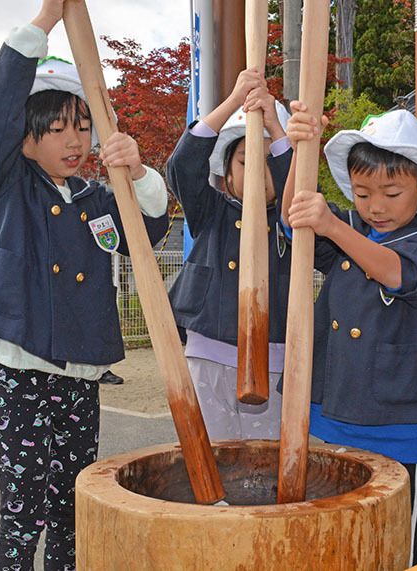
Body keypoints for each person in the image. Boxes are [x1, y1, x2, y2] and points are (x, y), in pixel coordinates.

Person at [0, 1, 169, 568]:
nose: (75, 141)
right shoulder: (6, 182)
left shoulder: (99, 197)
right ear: (24, 140)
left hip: (78, 371)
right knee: (24, 512)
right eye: (56, 130)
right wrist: (48, 17)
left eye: (83, 127)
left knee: (72, 506)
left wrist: (140, 171)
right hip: (18, 366)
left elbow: (146, 233)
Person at [283, 106, 417, 565]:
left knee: (405, 544)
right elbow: (294, 216)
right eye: (362, 194)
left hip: (402, 420)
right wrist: (300, 148)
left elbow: (397, 274)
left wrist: (336, 226)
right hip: (342, 408)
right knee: (346, 536)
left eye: (391, 192)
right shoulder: (352, 229)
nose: (375, 207)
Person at [166, 68, 292, 439]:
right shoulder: (213, 210)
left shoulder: (290, 221)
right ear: (226, 172)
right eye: (245, 160)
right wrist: (233, 103)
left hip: (273, 357)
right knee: (210, 449)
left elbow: (296, 192)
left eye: (270, 162)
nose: (258, 170)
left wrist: (277, 130)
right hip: (208, 351)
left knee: (263, 459)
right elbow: (181, 169)